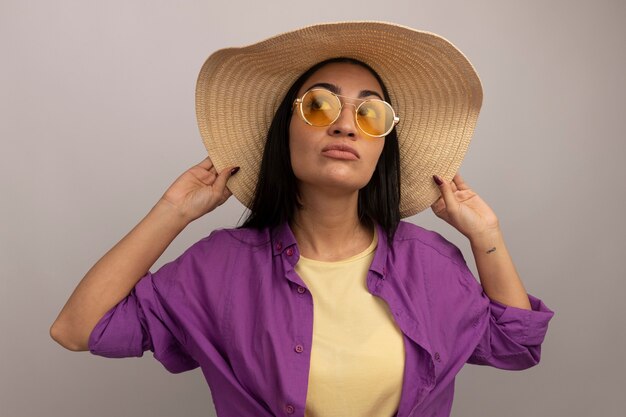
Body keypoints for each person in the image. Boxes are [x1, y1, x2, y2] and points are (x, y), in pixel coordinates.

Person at [50, 21, 555, 417]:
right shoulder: (220, 267)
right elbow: (77, 329)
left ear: (384, 147)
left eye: (370, 113)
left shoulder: (431, 263)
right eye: (319, 105)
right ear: (284, 130)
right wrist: (172, 213)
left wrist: (486, 235)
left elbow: (515, 346)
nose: (344, 124)